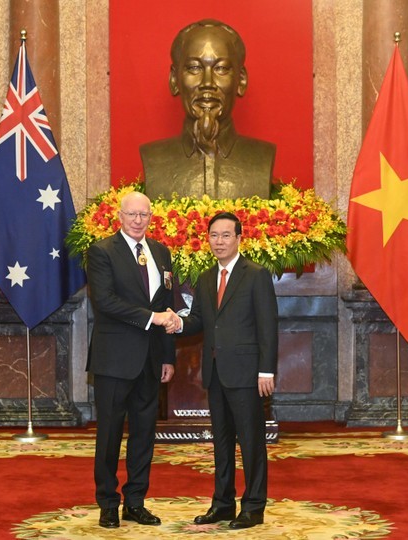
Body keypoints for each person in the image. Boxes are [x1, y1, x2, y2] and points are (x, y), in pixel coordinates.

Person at [172, 212, 278, 529]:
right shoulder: (205, 279)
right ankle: (222, 504)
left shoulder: (256, 274)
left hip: (247, 374)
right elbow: (199, 323)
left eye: (225, 235)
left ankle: (254, 506)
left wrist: (266, 371)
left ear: (239, 238)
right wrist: (175, 321)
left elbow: (268, 326)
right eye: (214, 236)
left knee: (251, 442)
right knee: (221, 442)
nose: (219, 241)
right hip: (216, 372)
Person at [86, 191, 181, 528]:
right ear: (120, 216)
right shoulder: (101, 252)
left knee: (144, 433)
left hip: (152, 359)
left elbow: (168, 302)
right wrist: (150, 318)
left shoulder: (160, 252)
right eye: (132, 214)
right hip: (114, 359)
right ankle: (108, 503)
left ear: (151, 217)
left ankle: (136, 501)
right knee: (110, 433)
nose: (138, 220)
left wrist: (168, 355)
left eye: (144, 215)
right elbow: (106, 302)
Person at [141, 19, 275, 200]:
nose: (207, 83)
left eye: (221, 68)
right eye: (194, 68)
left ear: (241, 80)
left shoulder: (261, 157)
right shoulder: (154, 158)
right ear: (174, 79)